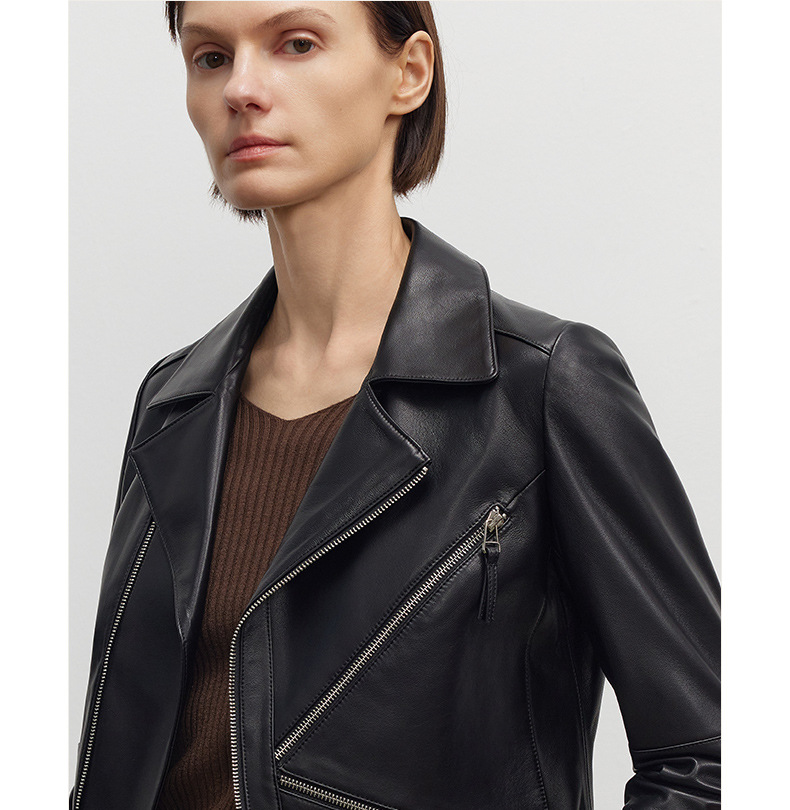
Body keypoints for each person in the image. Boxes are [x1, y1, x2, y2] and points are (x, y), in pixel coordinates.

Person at [70, 2, 721, 809]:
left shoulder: (541, 387)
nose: (240, 88)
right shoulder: (175, 405)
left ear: (409, 73)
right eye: (210, 57)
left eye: (295, 43)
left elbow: (711, 760)